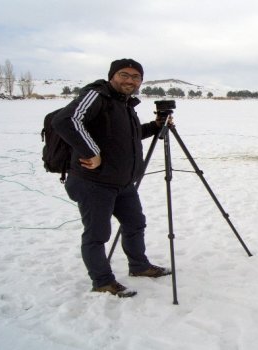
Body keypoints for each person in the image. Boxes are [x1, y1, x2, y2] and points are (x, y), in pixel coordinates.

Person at [52, 58, 170, 298]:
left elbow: (129, 136)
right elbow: (65, 120)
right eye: (124, 75)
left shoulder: (124, 104)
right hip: (93, 182)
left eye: (136, 77)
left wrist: (155, 125)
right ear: (112, 76)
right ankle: (102, 281)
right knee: (97, 234)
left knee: (135, 223)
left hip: (122, 183)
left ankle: (139, 266)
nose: (130, 80)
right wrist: (90, 152)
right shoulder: (97, 95)